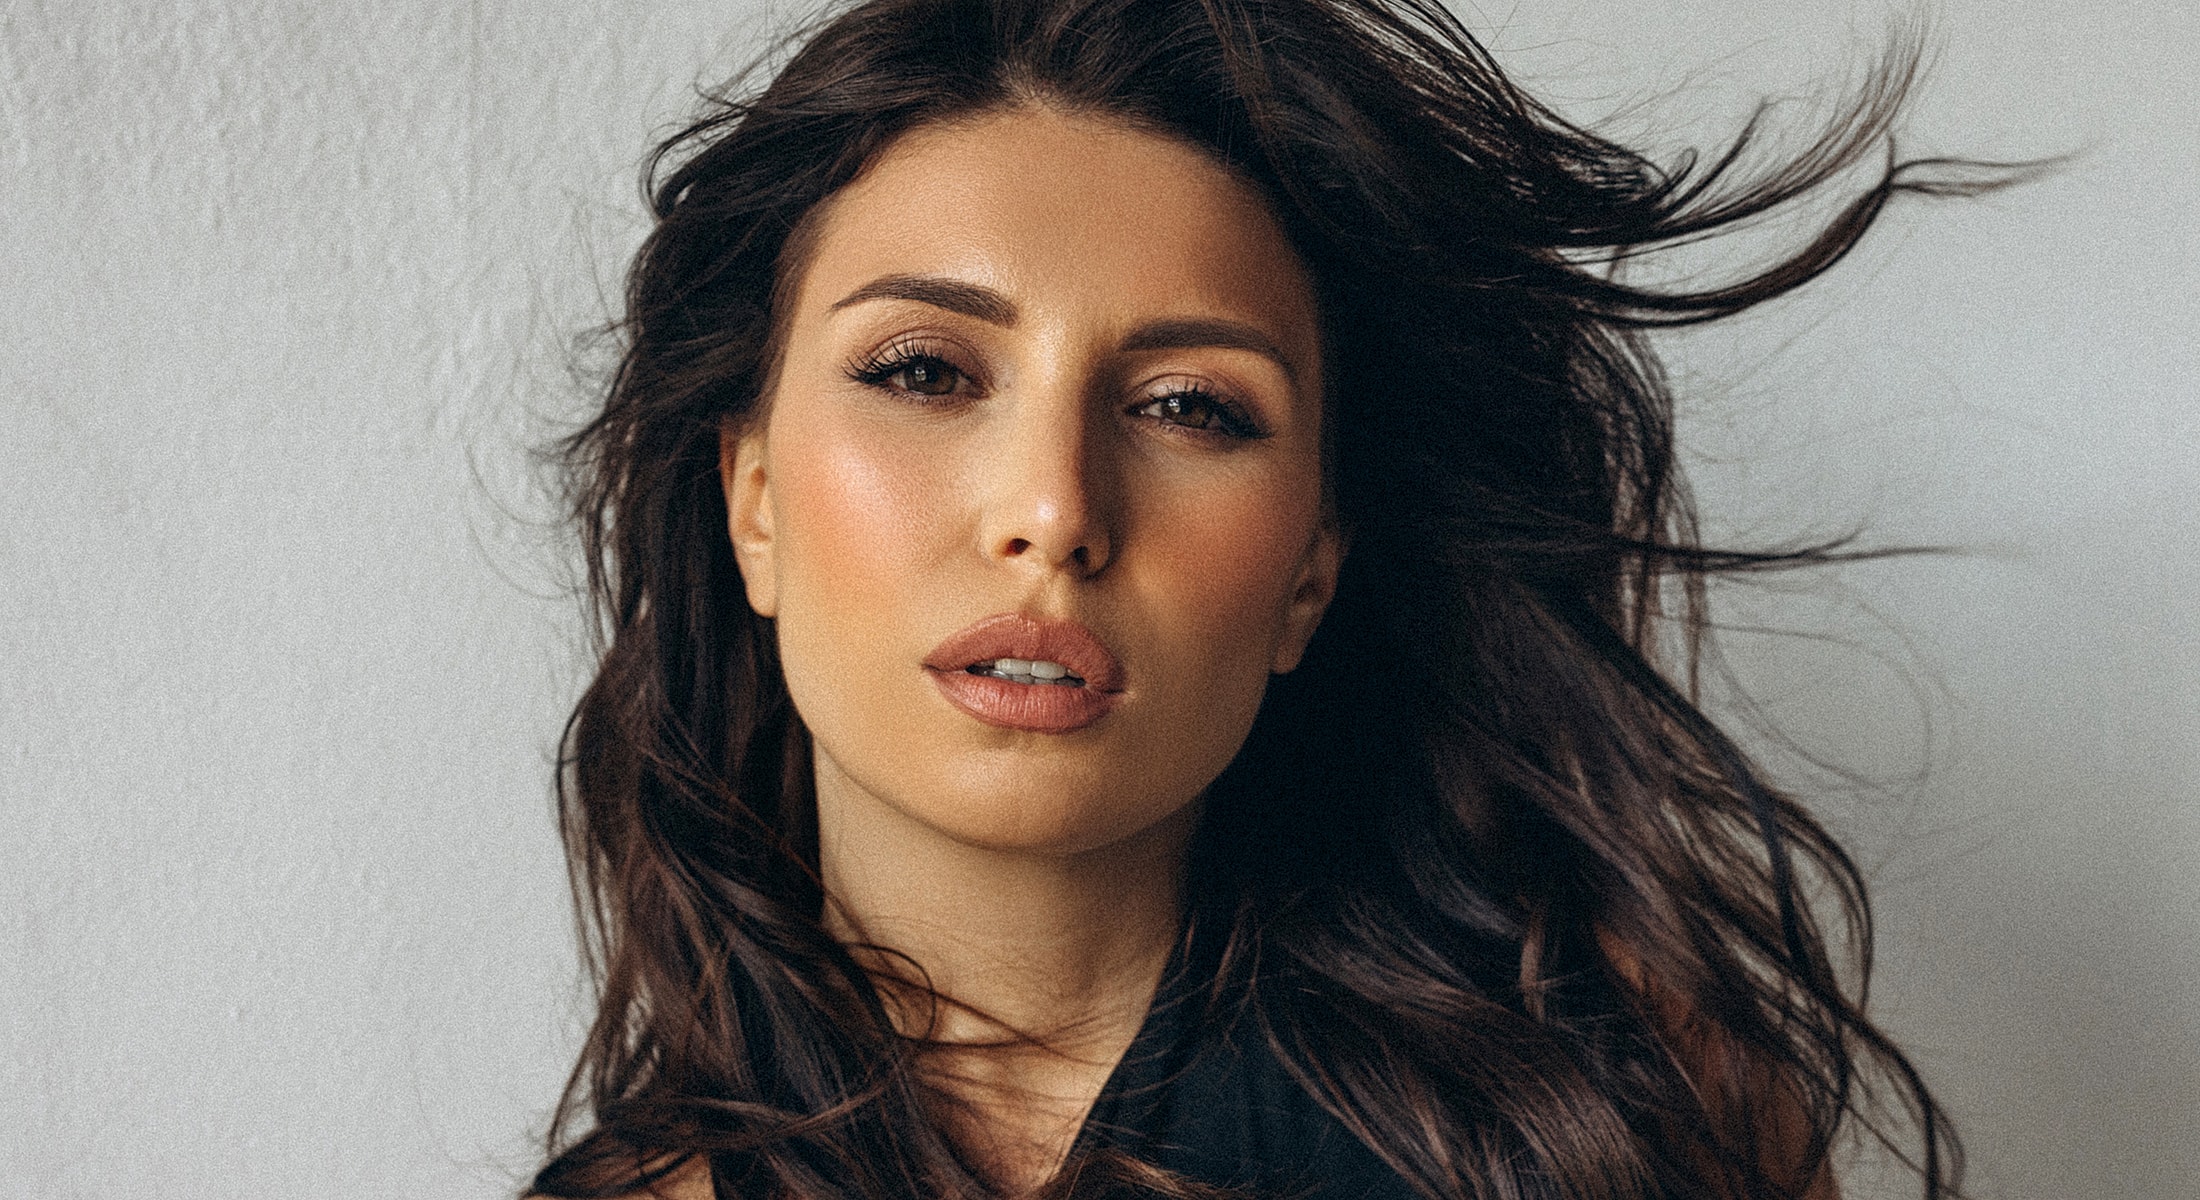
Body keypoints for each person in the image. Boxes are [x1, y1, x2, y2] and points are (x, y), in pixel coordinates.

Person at [528, 0, 2017, 1195]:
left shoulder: (1620, 1115)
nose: (1055, 509)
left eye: (1191, 406)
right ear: (753, 499)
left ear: (1314, 565)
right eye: (924, 371)